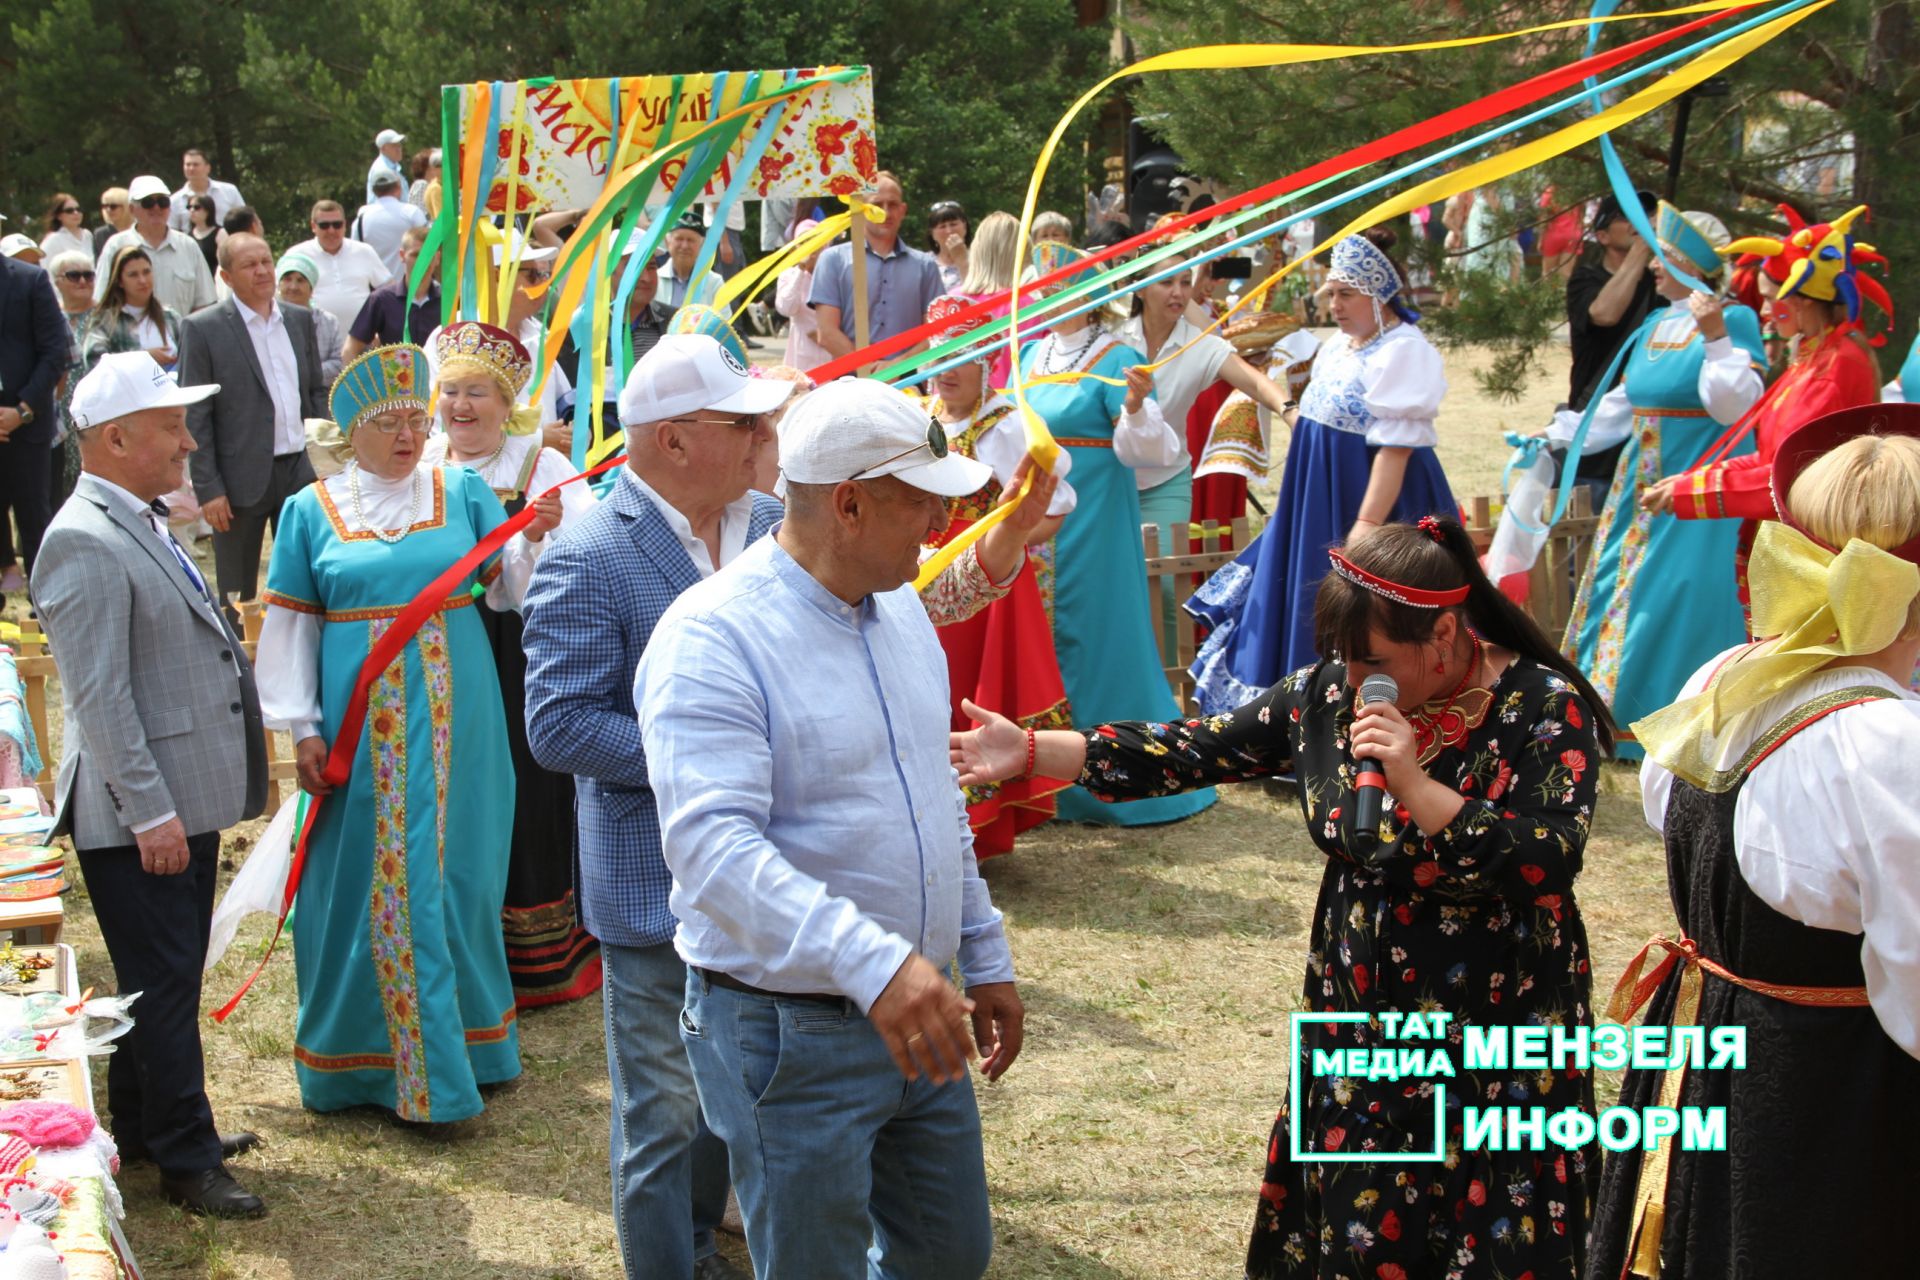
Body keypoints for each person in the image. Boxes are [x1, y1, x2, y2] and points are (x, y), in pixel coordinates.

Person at [954, 516, 1616, 1280]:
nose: (1354, 675)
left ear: (1443, 634)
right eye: (1343, 656)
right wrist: (1035, 751)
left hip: (1498, 1034)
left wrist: (1416, 785)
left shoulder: (1540, 705)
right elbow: (1194, 748)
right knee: (1363, 1233)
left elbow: (1548, 858)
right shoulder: (1331, 695)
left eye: (1375, 660)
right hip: (1362, 1033)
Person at [525, 340, 1046, 1280]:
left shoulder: (896, 611)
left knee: (948, 1252)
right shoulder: (712, 630)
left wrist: (981, 948)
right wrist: (874, 962)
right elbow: (714, 848)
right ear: (847, 504)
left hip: (915, 999)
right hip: (795, 1027)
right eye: (921, 499)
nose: (939, 520)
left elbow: (932, 797)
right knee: (753, 1210)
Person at [1591, 407, 1920, 1280]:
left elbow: (1680, 823)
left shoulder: (1721, 680)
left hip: (1706, 1052)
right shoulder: (1888, 748)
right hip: (1823, 1107)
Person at [523, 334, 789, 1280]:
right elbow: (559, 727)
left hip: (755, 874)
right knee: (663, 1117)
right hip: (653, 891)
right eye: (742, 421)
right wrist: (706, 763)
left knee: (727, 1092)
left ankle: (704, 1249)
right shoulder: (591, 552)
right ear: (675, 442)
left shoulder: (767, 524)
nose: (764, 433)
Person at [255, 343, 561, 1122]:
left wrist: (531, 536)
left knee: (458, 874)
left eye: (414, 418)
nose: (406, 432)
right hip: (358, 733)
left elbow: (509, 593)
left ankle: (467, 1048)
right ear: (350, 429)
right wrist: (302, 729)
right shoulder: (308, 510)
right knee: (357, 877)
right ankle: (355, 1061)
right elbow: (290, 629)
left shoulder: (460, 492)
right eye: (387, 420)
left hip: (464, 723)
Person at [33, 351, 268, 1217]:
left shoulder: (134, 514)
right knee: (164, 985)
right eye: (169, 424)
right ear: (117, 436)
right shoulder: (83, 536)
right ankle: (185, 1157)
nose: (185, 438)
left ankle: (145, 1124)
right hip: (142, 809)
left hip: (167, 801)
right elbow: (98, 698)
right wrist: (151, 810)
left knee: (154, 983)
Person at [1189, 229, 1456, 714]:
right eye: (1331, 293)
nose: (1335, 304)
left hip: (1369, 499)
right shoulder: (1338, 347)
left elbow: (1395, 452)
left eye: (1347, 294)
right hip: (1314, 497)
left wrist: (1367, 527)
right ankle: (1295, 722)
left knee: (1373, 614)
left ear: (1379, 295)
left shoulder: (1403, 351)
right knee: (1302, 598)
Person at [419, 322, 600, 1009]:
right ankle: (457, 943)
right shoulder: (425, 459)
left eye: (476, 393)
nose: (460, 407)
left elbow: (567, 577)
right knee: (451, 781)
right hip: (441, 644)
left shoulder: (539, 467)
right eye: (450, 391)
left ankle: (537, 952)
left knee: (526, 784)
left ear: (506, 402)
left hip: (517, 647)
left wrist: (535, 538)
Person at [1013, 240, 1214, 828]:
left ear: (1090, 292)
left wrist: (1132, 405)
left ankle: (1118, 773)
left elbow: (1147, 449)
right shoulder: (1029, 353)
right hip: (1039, 512)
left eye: (1064, 287)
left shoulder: (1113, 354)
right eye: (1045, 288)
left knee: (1095, 631)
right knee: (1043, 634)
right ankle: (1043, 777)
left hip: (1096, 516)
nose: (1053, 297)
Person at [1562, 206, 1768, 745]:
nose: (1652, 266)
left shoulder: (1734, 319)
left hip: (1699, 486)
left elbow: (1732, 407)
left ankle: (1676, 719)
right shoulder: (1655, 323)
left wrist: (1717, 336)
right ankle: (1614, 714)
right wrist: (1561, 436)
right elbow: (1626, 403)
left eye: (1663, 256)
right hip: (1641, 484)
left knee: (1682, 593)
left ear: (1689, 262)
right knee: (1621, 584)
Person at [1645, 206, 1885, 596]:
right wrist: (1690, 481)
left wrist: (1695, 494)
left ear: (1803, 301)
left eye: (1773, 299)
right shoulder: (1813, 356)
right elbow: (1770, 456)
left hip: (1819, 561)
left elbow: (1791, 476)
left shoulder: (1835, 366)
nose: (1767, 313)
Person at [924, 295, 1076, 855]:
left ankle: (983, 825)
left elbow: (1058, 504)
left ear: (986, 362)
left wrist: (1005, 538)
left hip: (990, 592)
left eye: (962, 357)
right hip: (926, 580)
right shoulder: (921, 417)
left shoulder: (1008, 425)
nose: (948, 372)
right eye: (939, 357)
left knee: (977, 696)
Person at [1119, 239, 1294, 638]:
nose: (1179, 292)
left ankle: (1167, 690)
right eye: (1166, 282)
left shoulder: (1202, 347)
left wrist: (1290, 412)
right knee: (1111, 587)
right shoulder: (1113, 339)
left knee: (1163, 588)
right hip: (1111, 482)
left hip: (1165, 482)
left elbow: (1254, 381)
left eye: (1185, 281)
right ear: (1140, 288)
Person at [178, 234, 326, 611]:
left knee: (308, 577)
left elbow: (313, 393)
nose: (262, 271)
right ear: (226, 277)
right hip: (237, 477)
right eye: (249, 265)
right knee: (235, 590)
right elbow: (196, 413)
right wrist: (209, 487)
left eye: (266, 261)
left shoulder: (299, 319)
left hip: (299, 469)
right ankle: (239, 662)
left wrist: (325, 458)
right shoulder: (203, 328)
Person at [808, 171, 945, 359]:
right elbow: (826, 333)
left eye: (893, 205)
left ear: (903, 210)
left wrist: (896, 367)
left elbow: (936, 332)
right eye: (877, 204)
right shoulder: (833, 260)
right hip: (850, 381)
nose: (885, 212)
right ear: (860, 208)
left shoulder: (925, 266)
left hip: (909, 382)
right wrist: (869, 370)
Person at [0, 236, 71, 583]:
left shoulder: (30, 279)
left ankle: (46, 607)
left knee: (34, 519)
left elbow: (54, 351)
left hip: (27, 424)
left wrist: (22, 410)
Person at [1567, 188, 1659, 413]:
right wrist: (1641, 247)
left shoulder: (1660, 283)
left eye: (1643, 215)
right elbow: (1604, 315)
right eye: (1626, 216)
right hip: (1596, 411)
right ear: (1603, 236)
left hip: (1643, 410)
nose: (1639, 221)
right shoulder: (1585, 279)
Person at [93, 175, 217, 317]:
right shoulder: (116, 246)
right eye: (148, 202)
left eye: (163, 202)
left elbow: (205, 303)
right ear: (132, 209)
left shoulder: (188, 246)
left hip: (181, 337)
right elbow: (102, 301)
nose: (156, 207)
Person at [288, 200, 392, 336]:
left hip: (363, 341)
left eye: (337, 225)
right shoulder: (297, 255)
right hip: (315, 340)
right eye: (324, 225)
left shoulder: (364, 251)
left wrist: (382, 327)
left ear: (345, 225)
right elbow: (281, 295)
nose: (331, 230)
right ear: (313, 226)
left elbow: (388, 290)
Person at [45, 251, 97, 505]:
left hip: (95, 418)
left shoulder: (106, 316)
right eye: (74, 275)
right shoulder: (48, 318)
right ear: (57, 282)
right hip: (56, 420)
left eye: (88, 275)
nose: (83, 282)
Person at [275, 251, 345, 384]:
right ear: (279, 285)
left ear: (311, 289)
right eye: (287, 279)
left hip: (319, 395)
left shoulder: (328, 321)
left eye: (300, 280)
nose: (293, 287)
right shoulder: (269, 320)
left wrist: (303, 373)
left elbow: (338, 363)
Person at [772, 219, 831, 370]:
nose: (809, 247)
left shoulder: (832, 274)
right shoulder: (788, 275)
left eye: (813, 241)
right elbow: (786, 308)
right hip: (801, 350)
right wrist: (800, 270)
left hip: (830, 349)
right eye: (803, 242)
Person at [352, 172, 429, 276]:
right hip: (411, 285)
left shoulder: (361, 219)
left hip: (375, 287)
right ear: (398, 188)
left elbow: (355, 254)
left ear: (374, 191)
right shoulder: (412, 213)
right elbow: (429, 247)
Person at [168, 149, 245, 232]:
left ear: (207, 168)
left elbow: (245, 220)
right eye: (188, 164)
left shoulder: (229, 191)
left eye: (195, 164)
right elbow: (172, 232)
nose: (191, 168)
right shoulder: (175, 201)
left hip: (227, 242)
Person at [38, 192, 91, 264]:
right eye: (69, 211)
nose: (76, 213)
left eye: (78, 209)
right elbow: (45, 266)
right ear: (59, 216)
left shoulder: (87, 235)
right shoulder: (53, 240)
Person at [929, 199, 968, 292]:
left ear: (965, 227)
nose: (949, 231)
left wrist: (962, 261)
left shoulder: (981, 260)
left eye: (953, 224)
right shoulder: (925, 263)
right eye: (942, 226)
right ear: (932, 234)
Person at [367, 128, 407, 206]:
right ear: (383, 148)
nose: (399, 149)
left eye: (399, 145)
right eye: (394, 145)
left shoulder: (392, 167)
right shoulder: (381, 169)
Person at [184, 194, 222, 275]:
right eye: (189, 207)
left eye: (197, 207)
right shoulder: (187, 236)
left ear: (208, 210)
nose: (192, 210)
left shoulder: (220, 233)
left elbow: (224, 262)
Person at [92, 187, 132, 259]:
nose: (108, 210)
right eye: (105, 206)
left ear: (126, 207)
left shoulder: (139, 230)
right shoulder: (100, 234)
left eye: (113, 206)